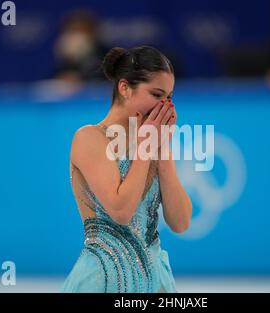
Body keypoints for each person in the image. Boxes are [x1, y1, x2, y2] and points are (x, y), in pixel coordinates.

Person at [61, 45, 192, 293]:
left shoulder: (153, 142)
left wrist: (162, 152)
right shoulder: (90, 138)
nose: (165, 106)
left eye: (169, 97)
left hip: (156, 283)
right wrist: (145, 147)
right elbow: (121, 211)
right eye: (156, 94)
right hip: (103, 280)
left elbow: (181, 222)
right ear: (125, 88)